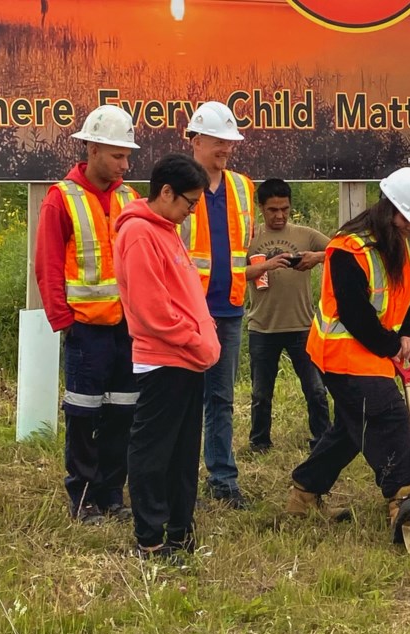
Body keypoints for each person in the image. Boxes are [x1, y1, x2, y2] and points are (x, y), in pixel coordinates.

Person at [285, 167, 410, 546]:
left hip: (377, 350)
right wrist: (392, 345)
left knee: (351, 430)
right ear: (388, 208)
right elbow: (355, 315)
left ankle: (303, 494)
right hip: (339, 351)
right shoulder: (347, 248)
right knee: (388, 414)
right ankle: (401, 497)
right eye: (406, 218)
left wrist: (408, 335)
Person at [35, 104, 141, 525]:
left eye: (127, 156)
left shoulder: (130, 197)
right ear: (93, 148)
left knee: (123, 413)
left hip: (127, 330)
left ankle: (111, 495)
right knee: (83, 414)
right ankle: (81, 499)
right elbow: (47, 266)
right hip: (86, 331)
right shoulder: (61, 198)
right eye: (118, 156)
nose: (125, 164)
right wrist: (64, 323)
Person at [114, 153, 221, 561]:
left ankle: (179, 531)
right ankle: (150, 539)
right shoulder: (140, 233)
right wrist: (197, 340)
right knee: (154, 451)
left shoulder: (166, 228)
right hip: (164, 360)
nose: (191, 212)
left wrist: (202, 340)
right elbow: (151, 309)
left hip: (187, 359)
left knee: (181, 453)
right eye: (188, 203)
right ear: (165, 192)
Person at [182, 100, 255, 509]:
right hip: (187, 310)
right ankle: (181, 474)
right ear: (196, 140)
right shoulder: (176, 183)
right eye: (218, 140)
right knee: (185, 396)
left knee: (221, 397)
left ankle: (222, 478)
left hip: (228, 308)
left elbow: (246, 244)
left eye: (230, 141)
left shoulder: (243, 186)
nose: (226, 148)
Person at [245, 178, 332, 454]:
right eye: (273, 210)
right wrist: (263, 266)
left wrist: (316, 258)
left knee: (316, 391)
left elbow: (343, 252)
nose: (279, 215)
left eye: (284, 209)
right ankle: (259, 442)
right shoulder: (250, 238)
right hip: (262, 327)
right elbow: (232, 273)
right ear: (261, 208)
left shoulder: (304, 234)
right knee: (261, 394)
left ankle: (323, 439)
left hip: (302, 325)